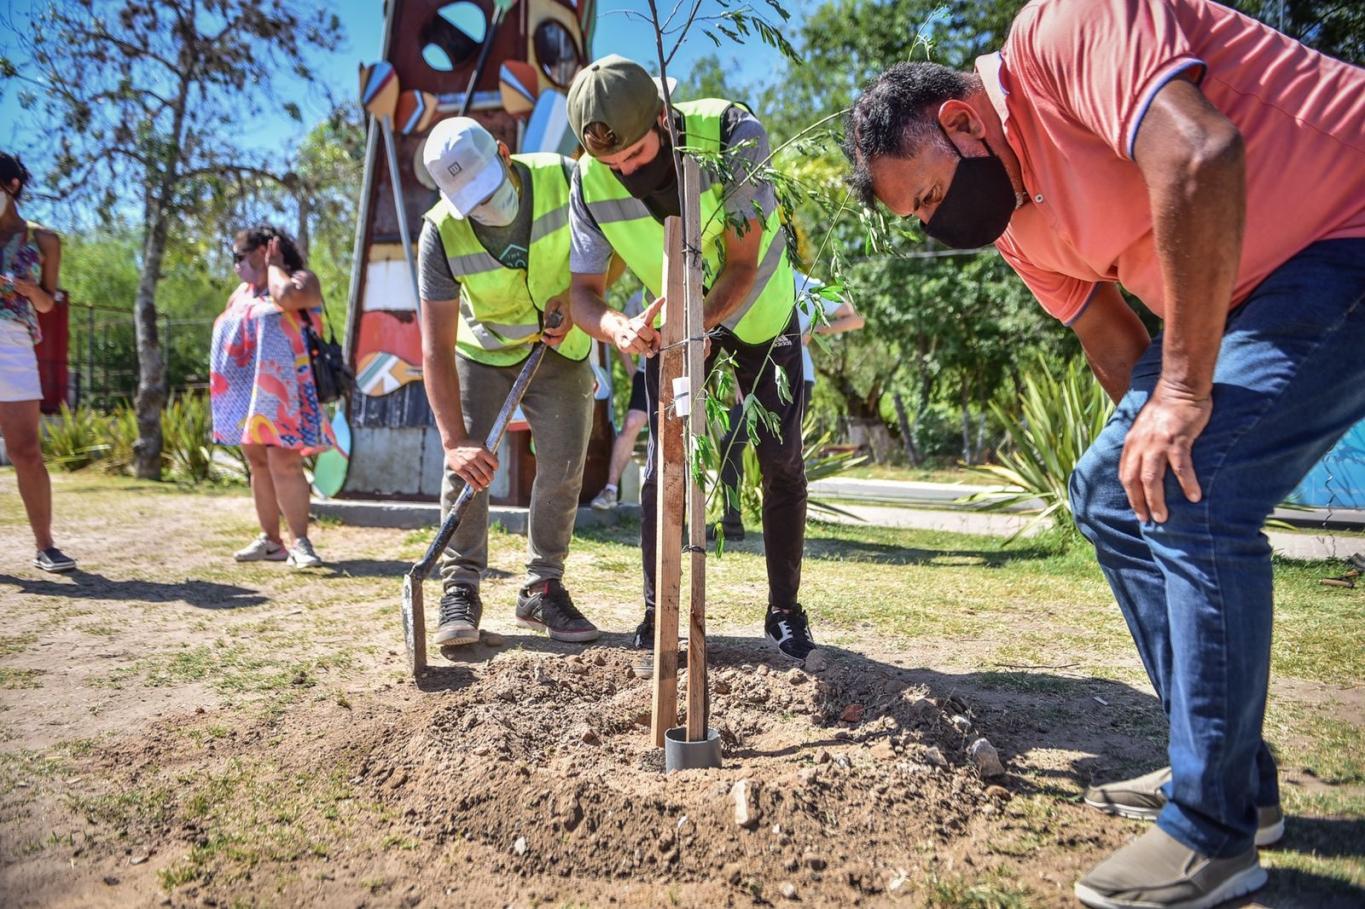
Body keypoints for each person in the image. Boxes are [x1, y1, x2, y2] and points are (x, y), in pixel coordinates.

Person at [845, 1, 1365, 906]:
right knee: (1111, 493)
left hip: (1343, 227)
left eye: (927, 195)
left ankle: (1210, 833)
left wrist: (1185, 397)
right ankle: (1233, 776)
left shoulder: (1066, 30)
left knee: (1203, 492)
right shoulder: (1015, 225)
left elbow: (1199, 153)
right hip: (1256, 292)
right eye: (918, 219)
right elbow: (1114, 344)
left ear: (961, 121)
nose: (936, 225)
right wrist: (1149, 428)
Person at [565, 55, 815, 674]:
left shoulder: (733, 134)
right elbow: (582, 294)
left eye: (639, 156)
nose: (626, 174)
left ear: (662, 118)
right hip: (673, 327)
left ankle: (785, 609)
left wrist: (691, 326)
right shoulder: (587, 180)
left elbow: (740, 266)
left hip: (760, 313)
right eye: (612, 165)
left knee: (780, 461)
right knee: (662, 468)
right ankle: (660, 611)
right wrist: (616, 327)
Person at [418, 116, 601, 647]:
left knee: (564, 465)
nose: (482, 207)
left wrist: (576, 300)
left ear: (503, 152)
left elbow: (606, 252)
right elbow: (434, 346)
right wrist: (454, 441)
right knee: (469, 467)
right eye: (469, 199)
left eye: (486, 190)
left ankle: (542, 589)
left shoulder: (564, 178)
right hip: (487, 351)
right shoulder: (440, 232)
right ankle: (461, 588)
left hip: (561, 348)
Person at [210, 225, 334, 569]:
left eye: (241, 256)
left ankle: (300, 542)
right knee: (259, 463)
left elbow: (287, 299)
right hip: (247, 394)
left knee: (285, 462)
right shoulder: (242, 292)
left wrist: (276, 265)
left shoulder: (301, 280)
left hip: (285, 393)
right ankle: (271, 540)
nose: (236, 265)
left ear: (267, 250)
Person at [712, 270, 863, 540]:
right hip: (754, 379)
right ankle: (732, 521)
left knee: (783, 456)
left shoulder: (804, 283)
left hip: (796, 378)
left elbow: (855, 318)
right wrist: (737, 381)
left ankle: (787, 528)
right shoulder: (747, 274)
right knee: (731, 443)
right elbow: (733, 333)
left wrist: (813, 330)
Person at [0, 152, 75, 574]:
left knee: (25, 450)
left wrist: (29, 291)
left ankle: (46, 546)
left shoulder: (43, 240)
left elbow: (48, 303)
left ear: (11, 186)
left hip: (12, 341)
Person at [591, 289, 650, 511]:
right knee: (632, 423)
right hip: (647, 373)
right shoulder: (638, 297)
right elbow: (622, 335)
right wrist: (632, 370)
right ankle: (610, 490)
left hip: (679, 375)